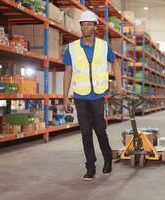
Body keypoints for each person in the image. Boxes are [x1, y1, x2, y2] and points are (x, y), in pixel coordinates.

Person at [63, 10, 126, 181]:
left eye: (89, 24)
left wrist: (120, 85)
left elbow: (115, 63)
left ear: (95, 27)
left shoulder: (104, 46)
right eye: (83, 25)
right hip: (80, 96)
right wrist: (65, 97)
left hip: (97, 95)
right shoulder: (72, 48)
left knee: (100, 130)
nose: (85, 27)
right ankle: (90, 166)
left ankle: (108, 160)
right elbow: (68, 72)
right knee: (85, 133)